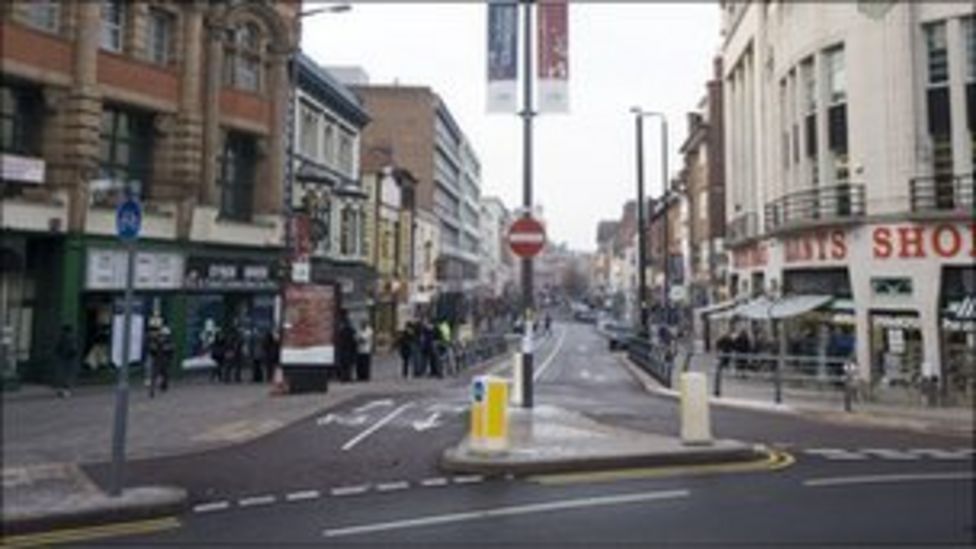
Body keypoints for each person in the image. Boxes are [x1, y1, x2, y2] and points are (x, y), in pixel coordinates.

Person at [147, 322, 174, 396]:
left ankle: (163, 385)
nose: (163, 337)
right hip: (157, 360)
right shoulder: (156, 340)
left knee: (164, 374)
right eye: (162, 335)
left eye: (165, 336)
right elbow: (152, 349)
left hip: (163, 360)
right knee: (154, 375)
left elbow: (171, 351)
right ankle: (152, 390)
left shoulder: (168, 342)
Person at [55, 325, 79, 398]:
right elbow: (74, 349)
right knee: (69, 375)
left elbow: (58, 347)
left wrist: (58, 353)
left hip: (64, 358)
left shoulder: (62, 337)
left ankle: (63, 390)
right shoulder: (72, 338)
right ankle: (67, 391)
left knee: (63, 374)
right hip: (69, 359)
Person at [337, 314, 357, 382]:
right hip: (349, 350)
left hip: (344, 350)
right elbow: (354, 341)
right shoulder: (351, 331)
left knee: (344, 365)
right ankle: (348, 377)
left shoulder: (341, 331)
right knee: (349, 365)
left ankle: (344, 378)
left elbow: (339, 341)